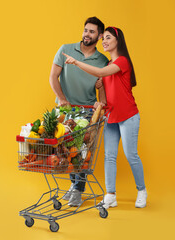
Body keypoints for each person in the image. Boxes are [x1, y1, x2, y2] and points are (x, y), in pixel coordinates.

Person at [62, 26, 147, 208]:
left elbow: (100, 73)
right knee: (109, 156)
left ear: (118, 41)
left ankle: (142, 190)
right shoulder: (108, 65)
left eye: (108, 38)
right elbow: (107, 93)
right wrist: (101, 102)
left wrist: (76, 62)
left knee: (131, 154)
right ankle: (110, 195)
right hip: (111, 116)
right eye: (103, 39)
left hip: (129, 116)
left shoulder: (122, 61)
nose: (104, 42)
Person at [49, 17, 109, 207]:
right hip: (65, 110)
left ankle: (77, 189)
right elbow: (52, 77)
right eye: (85, 30)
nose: (86, 34)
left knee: (81, 152)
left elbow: (102, 89)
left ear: (99, 36)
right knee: (66, 151)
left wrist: (101, 101)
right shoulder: (65, 49)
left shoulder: (102, 60)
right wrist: (63, 99)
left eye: (92, 32)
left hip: (87, 111)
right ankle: (75, 185)